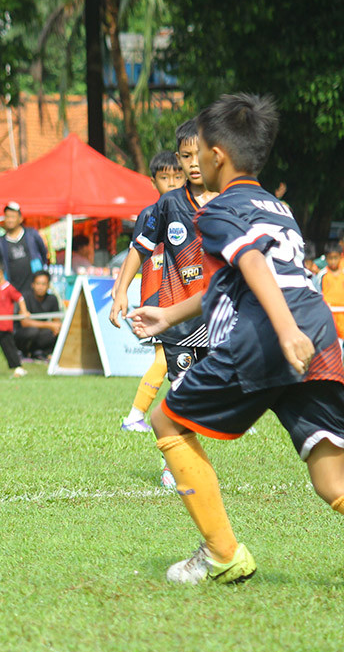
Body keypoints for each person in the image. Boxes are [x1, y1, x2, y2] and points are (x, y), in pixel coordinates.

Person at [128, 93, 344, 585]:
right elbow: (234, 280)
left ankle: (222, 554)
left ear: (216, 156)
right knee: (332, 479)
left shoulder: (219, 209)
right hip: (315, 327)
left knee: (166, 421)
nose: (193, 162)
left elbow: (252, 262)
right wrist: (169, 315)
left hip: (269, 332)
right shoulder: (277, 206)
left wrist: (284, 330)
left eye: (198, 150)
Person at [111, 119, 219, 392]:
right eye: (186, 156)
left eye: (199, 155)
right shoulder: (168, 204)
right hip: (177, 318)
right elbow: (139, 248)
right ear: (178, 158)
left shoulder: (228, 200)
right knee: (183, 390)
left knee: (217, 389)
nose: (193, 163)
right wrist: (121, 291)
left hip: (217, 315)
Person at [113, 151, 186, 435]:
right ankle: (135, 415)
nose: (172, 182)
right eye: (165, 177)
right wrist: (121, 288)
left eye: (177, 176)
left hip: (182, 298)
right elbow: (137, 251)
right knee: (163, 359)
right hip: (157, 295)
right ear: (153, 181)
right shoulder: (150, 214)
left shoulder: (190, 210)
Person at [0, 200, 48, 293]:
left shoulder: (31, 234)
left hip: (34, 290)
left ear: (20, 219)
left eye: (13, 217)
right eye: (7, 217)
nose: (10, 220)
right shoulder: (1, 243)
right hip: (14, 290)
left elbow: (43, 252)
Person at [15, 270, 60, 361]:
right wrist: (49, 325)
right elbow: (25, 323)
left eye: (43, 284)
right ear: (32, 285)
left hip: (41, 333)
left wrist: (57, 327)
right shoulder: (25, 297)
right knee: (32, 331)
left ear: (48, 286)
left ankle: (41, 352)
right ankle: (23, 352)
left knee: (57, 331)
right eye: (38, 284)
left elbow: (56, 321)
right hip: (23, 333)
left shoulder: (52, 299)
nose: (40, 287)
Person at [318, 242, 344, 348]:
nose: (333, 261)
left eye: (335, 258)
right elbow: (317, 294)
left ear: (340, 256)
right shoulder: (322, 275)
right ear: (326, 258)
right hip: (329, 316)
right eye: (330, 258)